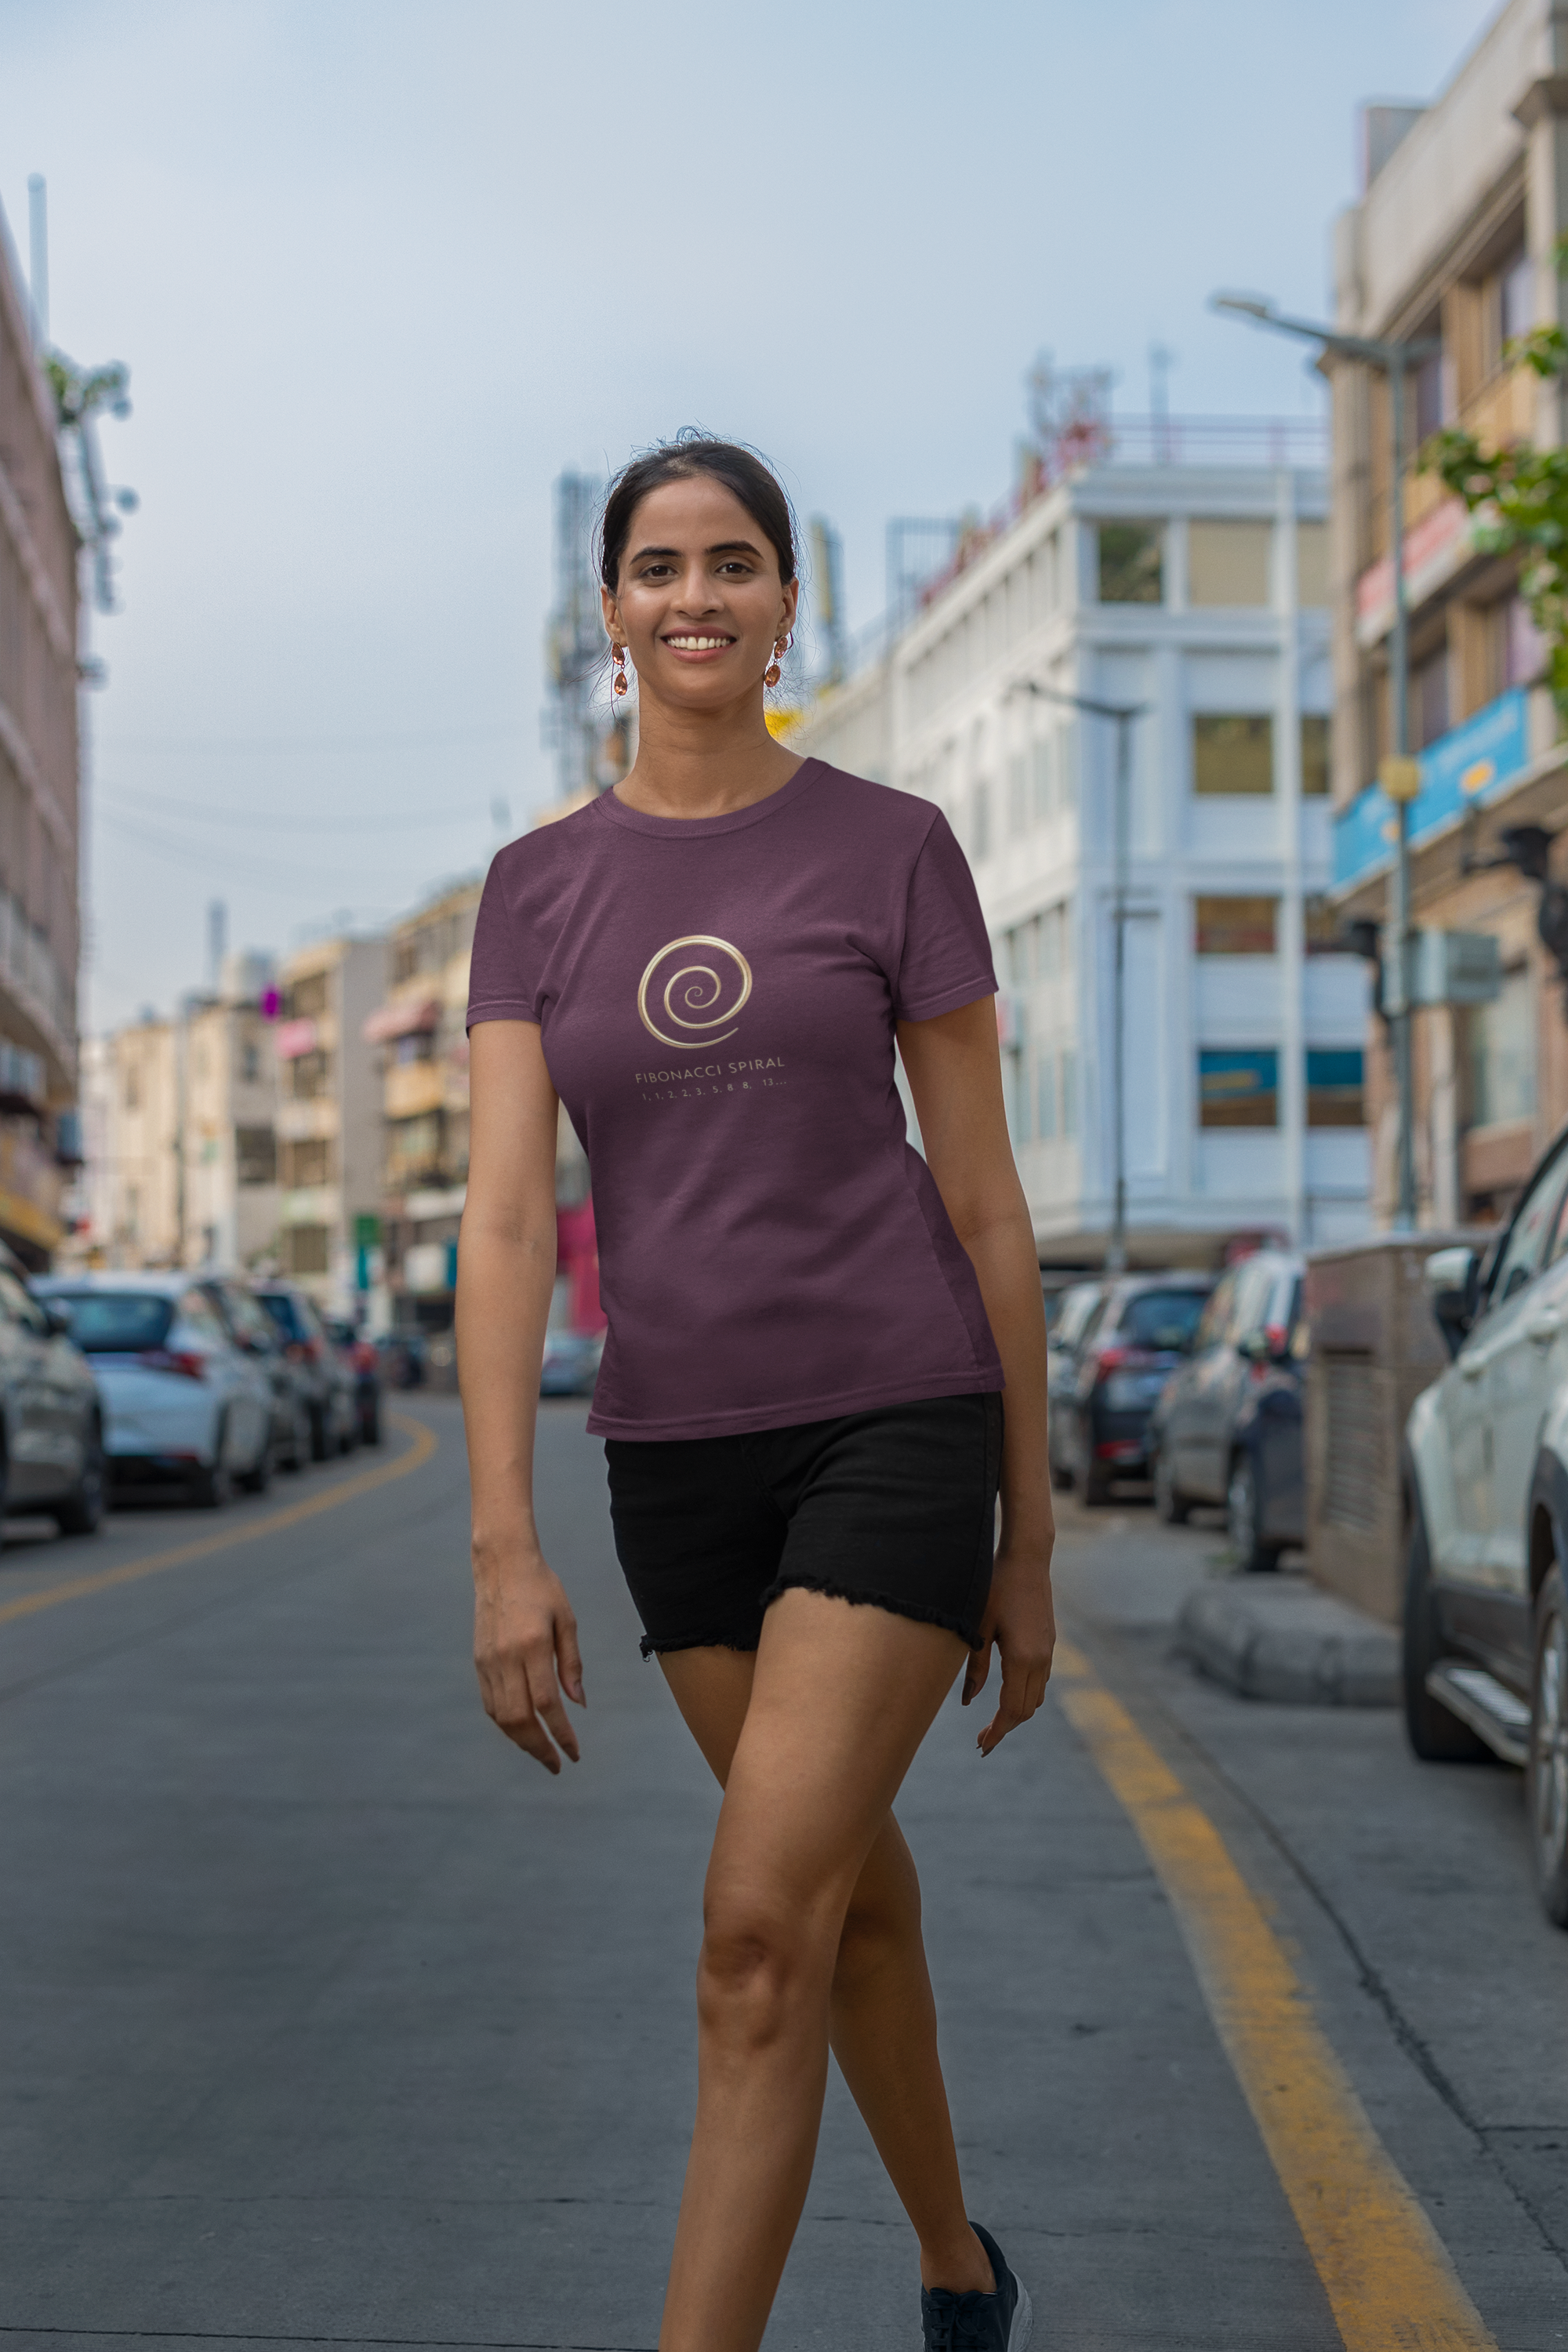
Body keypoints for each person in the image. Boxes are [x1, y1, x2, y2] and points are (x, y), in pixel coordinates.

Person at [457, 435, 1055, 2352]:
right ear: (610, 613)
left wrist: (1028, 1541)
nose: (695, 596)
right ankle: (959, 2268)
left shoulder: (894, 845)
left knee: (747, 1939)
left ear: (790, 602)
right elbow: (504, 1225)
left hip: (895, 1416)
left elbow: (985, 1202)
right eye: (658, 567)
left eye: (734, 563)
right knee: (838, 1903)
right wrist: (502, 1546)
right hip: (674, 1463)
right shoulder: (535, 889)